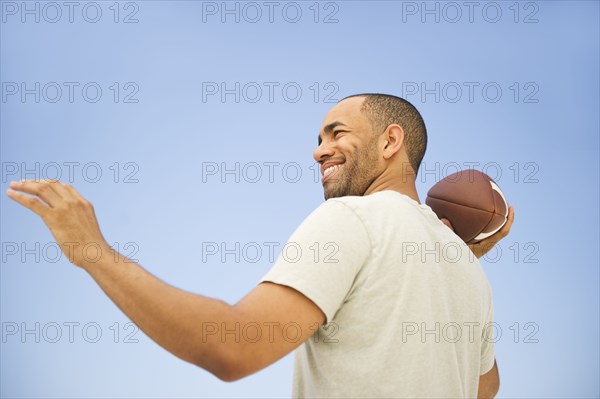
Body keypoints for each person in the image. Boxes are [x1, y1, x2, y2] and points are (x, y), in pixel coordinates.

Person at [6, 93, 514, 398]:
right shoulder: (468, 269)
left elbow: (231, 347)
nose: (319, 151)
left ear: (390, 142)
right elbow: (481, 390)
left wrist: (93, 253)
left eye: (336, 132)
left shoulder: (350, 218)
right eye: (317, 139)